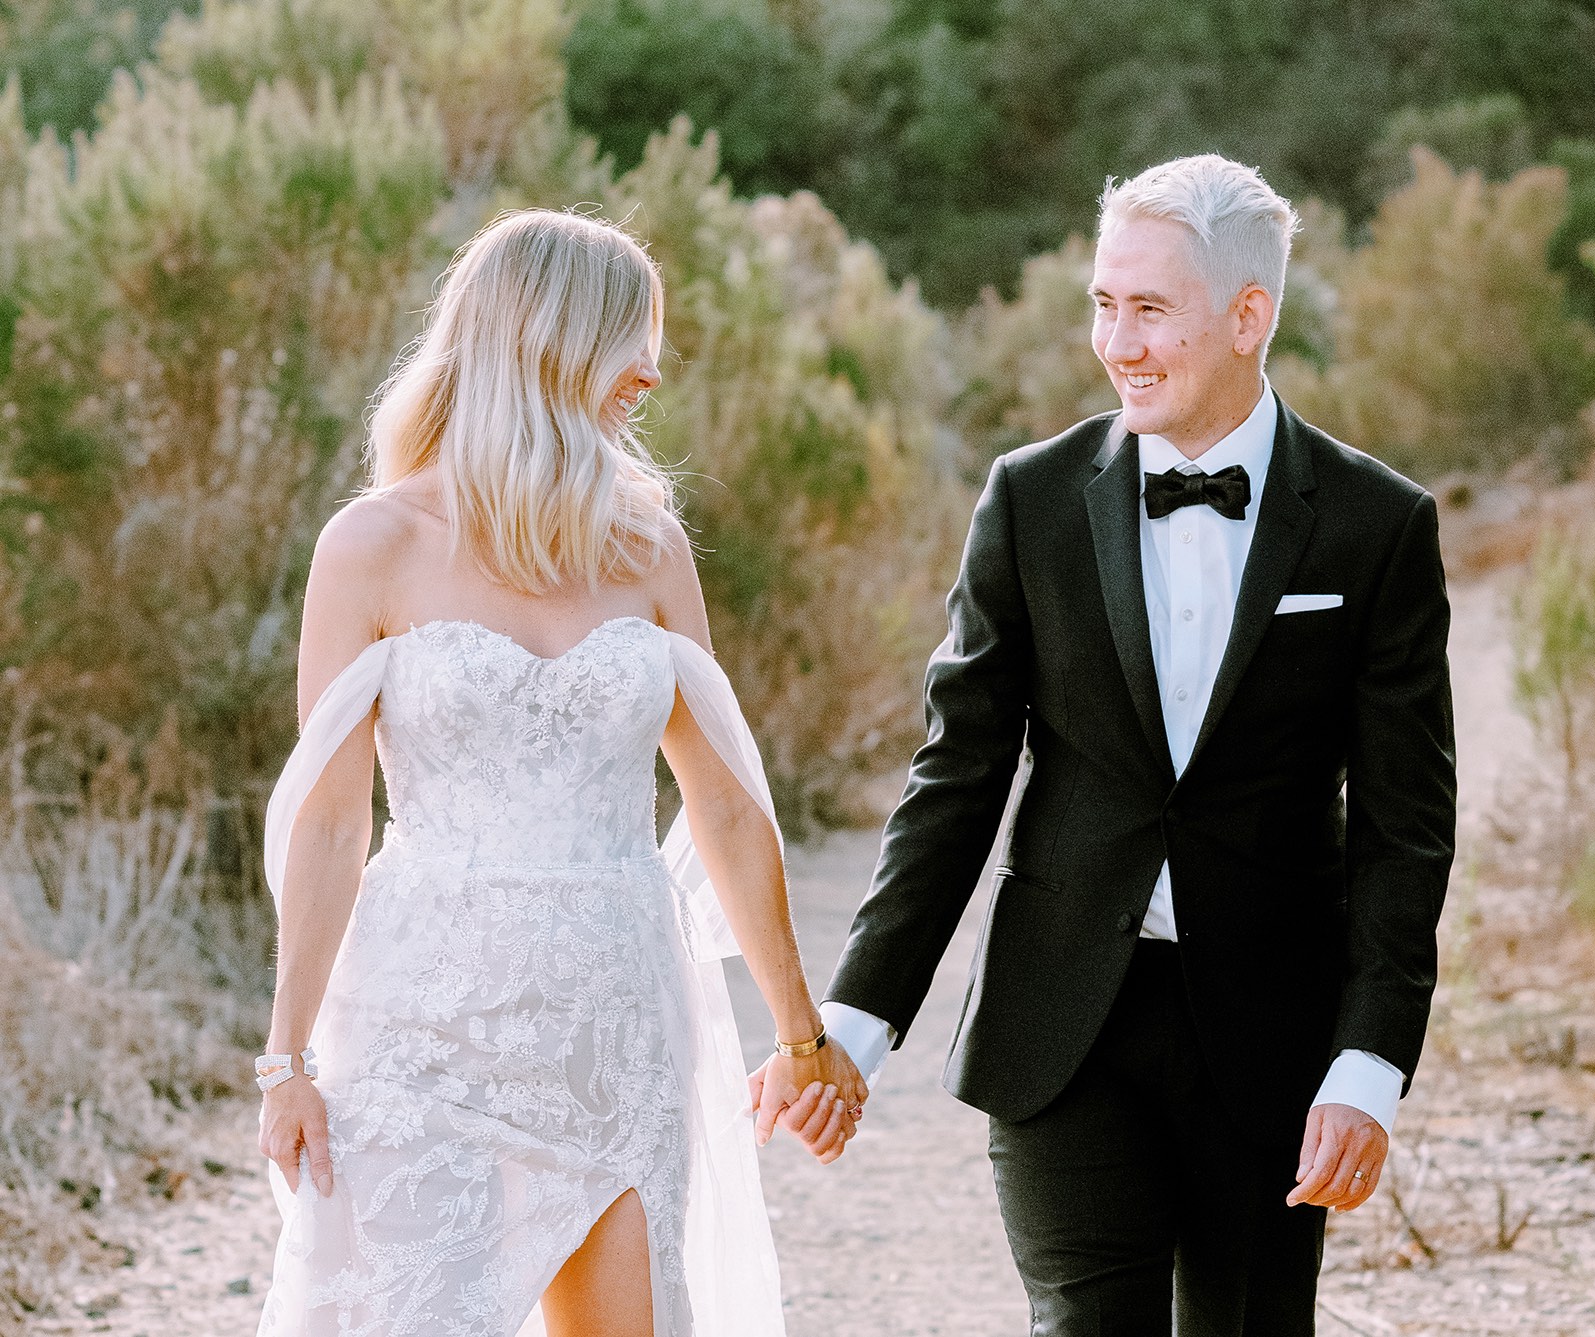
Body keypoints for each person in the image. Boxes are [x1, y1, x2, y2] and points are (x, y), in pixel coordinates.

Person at [801, 155, 1457, 1335]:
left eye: (1150, 309)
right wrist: (854, 1021)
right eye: (1104, 304)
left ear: (1248, 315)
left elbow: (1406, 827)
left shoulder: (1377, 525)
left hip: (1272, 1044)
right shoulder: (1030, 498)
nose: (1117, 342)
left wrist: (1369, 1063)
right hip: (1064, 1028)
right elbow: (957, 773)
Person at [253, 208, 867, 1337]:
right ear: (547, 341)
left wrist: (800, 1028)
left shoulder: (647, 543)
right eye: (630, 337)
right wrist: (286, 1057)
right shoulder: (371, 545)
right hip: (420, 1022)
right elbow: (331, 825)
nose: (653, 367)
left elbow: (724, 801)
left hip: (616, 1016)